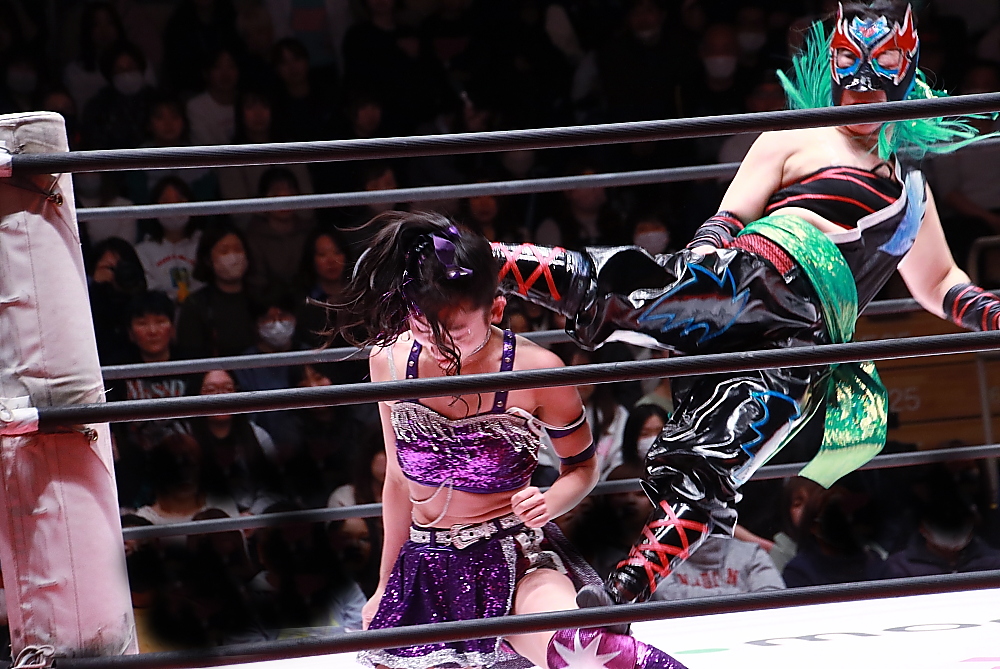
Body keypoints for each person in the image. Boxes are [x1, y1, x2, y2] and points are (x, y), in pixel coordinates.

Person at [491, 0, 1000, 611]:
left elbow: (941, 284)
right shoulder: (793, 136)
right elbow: (727, 217)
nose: (863, 95)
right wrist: (701, 265)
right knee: (627, 292)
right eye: (852, 81)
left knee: (722, 457)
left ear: (906, 75)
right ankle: (480, 260)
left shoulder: (912, 191)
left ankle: (624, 592)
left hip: (803, 344)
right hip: (755, 281)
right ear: (834, 73)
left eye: (878, 81)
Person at [334, 211, 685, 669]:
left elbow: (582, 467)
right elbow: (398, 480)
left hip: (514, 560)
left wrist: (551, 500)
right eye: (423, 326)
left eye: (457, 332)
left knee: (587, 652)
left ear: (496, 310)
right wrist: (385, 584)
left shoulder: (538, 371)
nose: (440, 345)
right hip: (423, 568)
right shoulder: (390, 360)